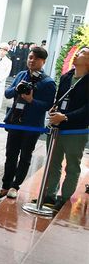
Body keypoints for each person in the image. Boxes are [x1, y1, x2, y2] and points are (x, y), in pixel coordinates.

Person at [0, 47, 56, 200]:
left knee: (25, 156)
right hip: (15, 122)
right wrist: (18, 90)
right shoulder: (21, 75)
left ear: (43, 61)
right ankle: (5, 186)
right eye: (30, 57)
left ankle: (15, 186)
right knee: (10, 155)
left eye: (36, 59)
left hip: (31, 125)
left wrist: (31, 100)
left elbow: (47, 105)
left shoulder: (48, 82)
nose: (31, 61)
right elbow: (7, 93)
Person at [41, 47, 87, 210]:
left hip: (76, 130)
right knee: (53, 163)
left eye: (83, 53)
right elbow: (60, 99)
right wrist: (55, 110)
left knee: (72, 166)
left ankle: (64, 198)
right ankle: (48, 196)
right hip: (57, 127)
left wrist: (66, 116)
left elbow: (86, 109)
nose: (78, 54)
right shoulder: (67, 76)